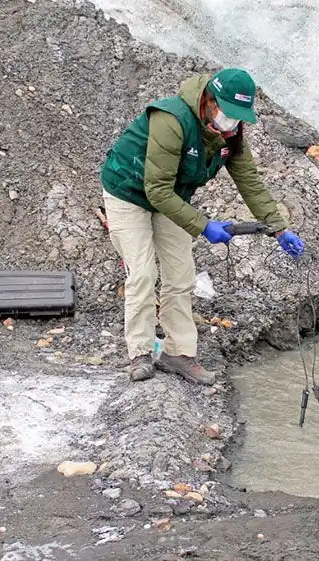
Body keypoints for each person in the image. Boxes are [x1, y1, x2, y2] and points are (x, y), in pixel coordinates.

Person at [100, 68, 305, 385]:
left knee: (180, 275)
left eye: (239, 116)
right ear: (209, 100)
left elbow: (249, 181)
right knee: (142, 273)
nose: (232, 122)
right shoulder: (172, 120)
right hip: (129, 193)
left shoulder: (230, 134)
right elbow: (156, 190)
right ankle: (140, 353)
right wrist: (204, 226)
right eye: (228, 112)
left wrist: (279, 228)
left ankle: (178, 353)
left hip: (171, 197)